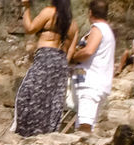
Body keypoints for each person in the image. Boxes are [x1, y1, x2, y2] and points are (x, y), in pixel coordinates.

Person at [14, 0, 76, 136]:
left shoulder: (49, 12)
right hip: (61, 62)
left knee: (27, 95)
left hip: (46, 57)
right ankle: (44, 134)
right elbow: (70, 50)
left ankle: (27, 133)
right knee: (51, 101)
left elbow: (30, 28)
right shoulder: (73, 24)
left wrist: (26, 8)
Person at [69, 0, 114, 134]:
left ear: (90, 13)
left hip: (90, 84)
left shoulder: (97, 28)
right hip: (98, 83)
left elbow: (88, 51)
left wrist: (73, 56)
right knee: (87, 123)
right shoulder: (107, 31)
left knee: (85, 125)